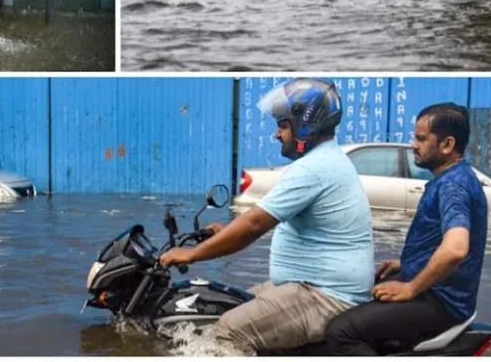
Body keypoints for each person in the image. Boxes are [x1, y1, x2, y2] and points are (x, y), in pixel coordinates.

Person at [159, 78, 374, 354]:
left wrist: (190, 254)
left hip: (326, 295)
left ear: (305, 127)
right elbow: (264, 217)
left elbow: (253, 225)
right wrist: (226, 232)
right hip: (313, 285)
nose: (277, 135)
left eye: (283, 126)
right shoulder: (326, 159)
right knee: (229, 302)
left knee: (227, 330)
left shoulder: (313, 168)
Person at [324, 103, 488, 355]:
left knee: (341, 332)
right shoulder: (452, 177)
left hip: (440, 302)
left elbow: (455, 250)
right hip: (438, 292)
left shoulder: (453, 186)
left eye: (421, 139)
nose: (413, 145)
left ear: (447, 145)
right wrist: (407, 263)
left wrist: (411, 287)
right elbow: (439, 240)